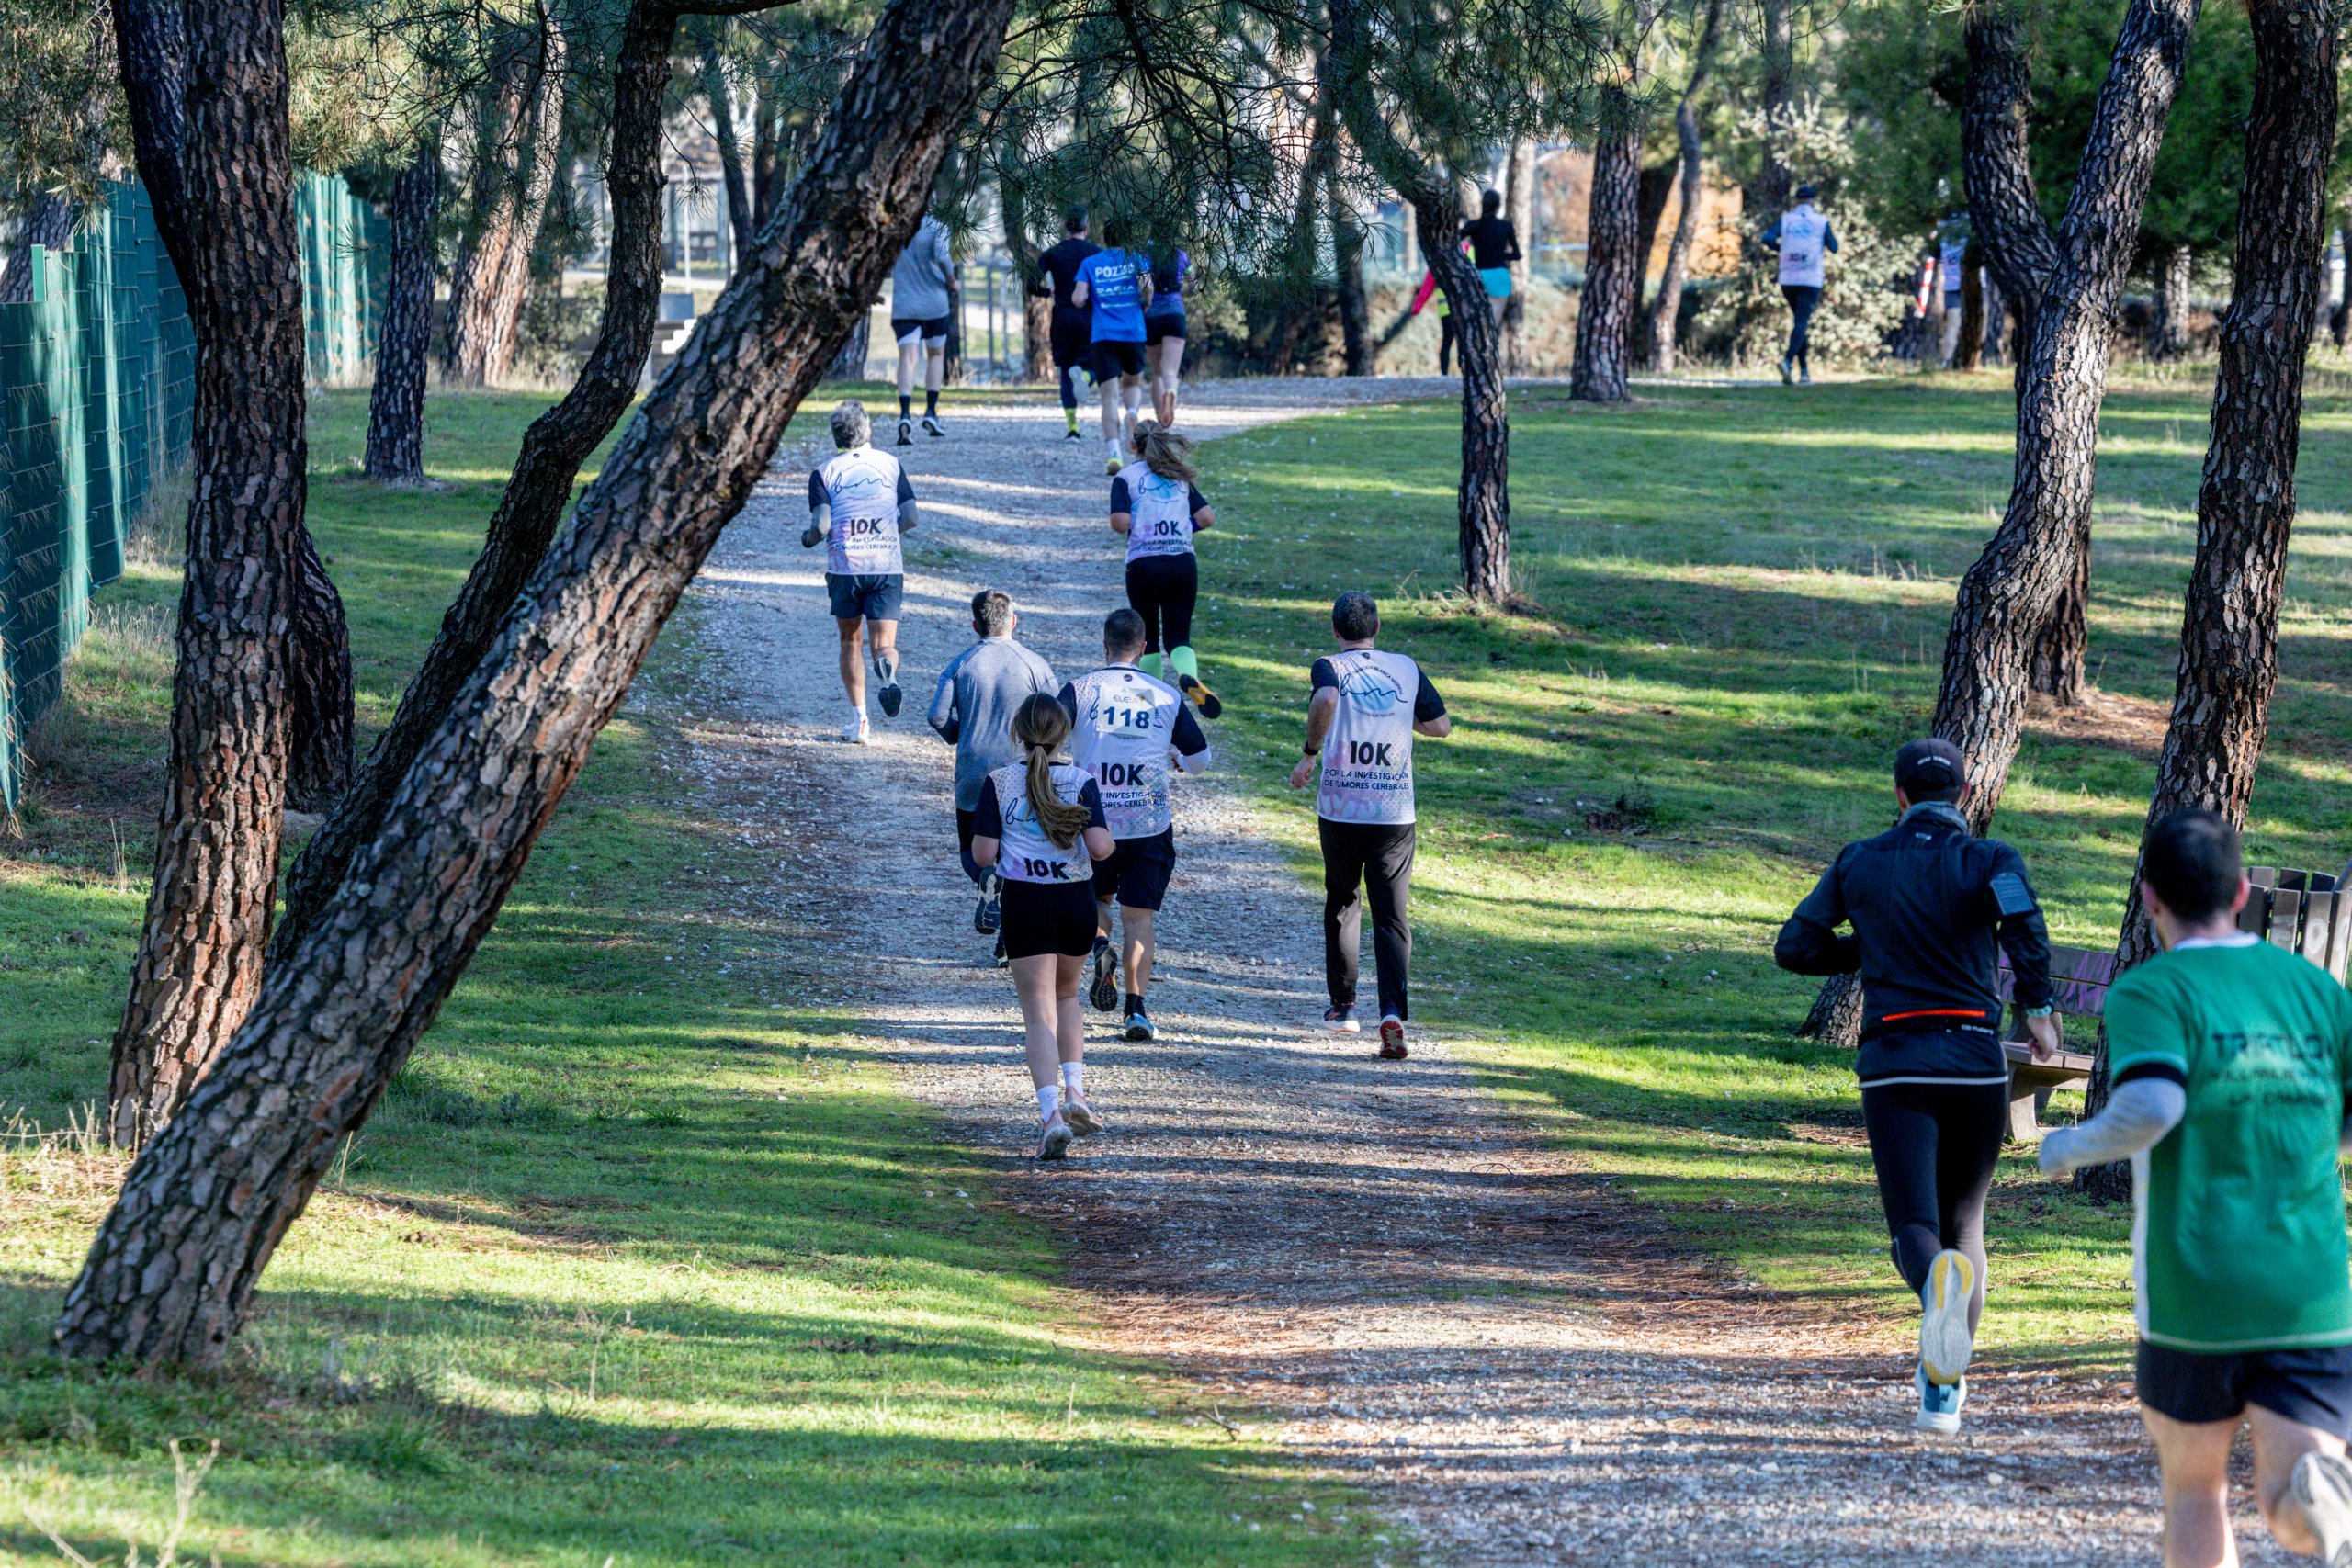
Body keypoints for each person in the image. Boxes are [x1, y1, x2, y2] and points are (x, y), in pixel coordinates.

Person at [2041, 811, 2352, 1568]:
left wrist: (2066, 1146)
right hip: (2309, 1286)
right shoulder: (2317, 988)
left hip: (2194, 1290)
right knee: (2291, 1499)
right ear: (2242, 890)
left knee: (2195, 1488)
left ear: (2150, 899)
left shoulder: (2153, 990)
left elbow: (2154, 1105)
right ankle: (2324, 1502)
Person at [1772, 737, 2059, 1436]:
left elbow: (1795, 946)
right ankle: (1944, 1388)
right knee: (1967, 1225)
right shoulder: (1993, 860)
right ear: (1964, 794)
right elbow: (2024, 929)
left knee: (1915, 1228)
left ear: (1900, 795)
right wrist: (2040, 1012)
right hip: (1975, 1061)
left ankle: (1934, 1295)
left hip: (1897, 1062)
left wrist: (1867, 948)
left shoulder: (1860, 860)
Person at [1287, 591, 1451, 1060]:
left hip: (1341, 806)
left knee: (1343, 900)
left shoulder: (1329, 666)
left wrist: (1310, 753)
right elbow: (1440, 727)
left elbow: (1325, 697)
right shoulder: (1405, 666)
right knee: (1393, 914)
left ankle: (1344, 1008)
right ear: (1377, 628)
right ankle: (1393, 1011)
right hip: (1394, 811)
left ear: (1336, 631)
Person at [969, 694, 1116, 1161]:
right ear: (1064, 735)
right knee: (1067, 996)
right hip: (1075, 902)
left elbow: (983, 856)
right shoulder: (1080, 781)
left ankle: (1051, 1116)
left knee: (1037, 1013)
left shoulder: (1000, 782)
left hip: (1026, 904)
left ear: (1017, 732)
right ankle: (1077, 1091)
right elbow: (1100, 848)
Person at [1061, 608, 1212, 1042]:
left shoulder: (1082, 689)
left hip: (1093, 821)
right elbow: (1201, 760)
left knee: (1096, 900)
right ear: (1144, 649)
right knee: (1140, 918)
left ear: (1104, 645)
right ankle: (1136, 1011)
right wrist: (1177, 759)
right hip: (1147, 819)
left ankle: (1097, 946)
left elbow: (1047, 734)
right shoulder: (1164, 694)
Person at [928, 591, 1059, 960]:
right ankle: (1008, 938)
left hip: (974, 772)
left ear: (975, 625)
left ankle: (988, 883)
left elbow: (936, 716)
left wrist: (961, 735)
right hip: (1024, 772)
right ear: (1013, 621)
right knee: (1020, 852)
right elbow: (1055, 717)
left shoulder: (960, 664)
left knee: (972, 850)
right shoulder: (1035, 664)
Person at [801, 400, 917, 744]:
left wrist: (808, 539)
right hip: (885, 566)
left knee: (850, 640)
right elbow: (910, 517)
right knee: (884, 645)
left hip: (845, 567)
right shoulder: (891, 464)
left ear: (835, 436)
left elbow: (821, 525)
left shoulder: (824, 472)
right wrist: (884, 533)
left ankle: (861, 721)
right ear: (867, 431)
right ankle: (889, 674)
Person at [1110, 420, 1219, 718]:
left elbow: (1119, 523)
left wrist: (1144, 524)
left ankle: (1153, 702)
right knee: (1179, 636)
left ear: (1134, 445)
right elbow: (1207, 517)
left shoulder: (1126, 477)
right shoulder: (1178, 477)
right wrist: (1182, 528)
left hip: (1144, 564)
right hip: (1182, 562)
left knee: (1149, 639)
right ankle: (1190, 677)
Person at [1072, 218, 1152, 475]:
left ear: (1105, 237)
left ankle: (1114, 453)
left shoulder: (1090, 263)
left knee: (1109, 395)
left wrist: (1087, 301)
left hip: (1103, 334)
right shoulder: (1137, 259)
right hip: (1133, 331)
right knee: (1132, 384)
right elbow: (1148, 288)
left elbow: (1078, 298)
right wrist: (1145, 304)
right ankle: (1132, 413)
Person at [1029, 209, 1100, 441]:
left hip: (1061, 315)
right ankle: (1088, 378)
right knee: (1092, 364)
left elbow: (1031, 283)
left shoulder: (1052, 254)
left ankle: (1072, 428)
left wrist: (1047, 292)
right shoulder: (1096, 254)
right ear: (1086, 228)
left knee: (1066, 371)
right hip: (1088, 316)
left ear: (1063, 226)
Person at [889, 211, 959, 443]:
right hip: (934, 305)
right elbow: (942, 254)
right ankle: (930, 411)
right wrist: (951, 280)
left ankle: (905, 414)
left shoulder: (896, 222)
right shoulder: (936, 225)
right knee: (936, 355)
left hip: (904, 304)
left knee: (907, 358)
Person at [1758, 183, 1838, 385]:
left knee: (1799, 323)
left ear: (1796, 201)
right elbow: (1834, 247)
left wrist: (1782, 250)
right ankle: (1787, 361)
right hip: (1811, 278)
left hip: (1788, 277)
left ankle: (1803, 372)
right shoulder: (1820, 221)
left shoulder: (1786, 220)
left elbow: (1767, 238)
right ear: (1813, 201)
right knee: (1801, 323)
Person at [1460, 189, 1520, 329]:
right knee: (1492, 328)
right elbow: (1517, 255)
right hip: (1499, 276)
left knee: (1479, 327)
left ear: (1482, 205)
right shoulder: (1506, 227)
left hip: (1479, 276)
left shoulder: (1473, 226)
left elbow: (1451, 242)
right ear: (1498, 206)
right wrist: (1500, 254)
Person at [1145, 246, 1189, 426]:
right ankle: (1170, 392)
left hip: (1152, 317)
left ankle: (1160, 419)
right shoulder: (1181, 255)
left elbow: (1144, 284)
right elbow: (1194, 284)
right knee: (1170, 371)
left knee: (1157, 372)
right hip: (1175, 314)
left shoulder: (1145, 254)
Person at [1936, 215, 1969, 368]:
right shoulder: (1970, 226)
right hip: (1969, 286)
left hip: (1951, 286)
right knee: (1972, 323)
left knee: (1953, 326)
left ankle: (1946, 360)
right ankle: (1964, 361)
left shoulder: (1943, 232)